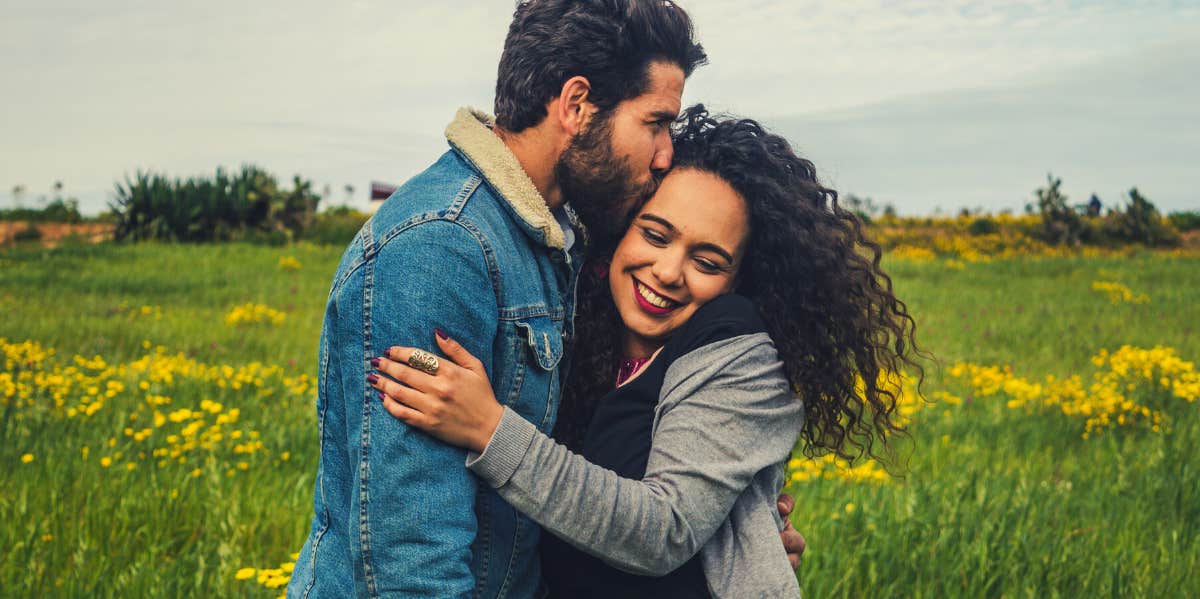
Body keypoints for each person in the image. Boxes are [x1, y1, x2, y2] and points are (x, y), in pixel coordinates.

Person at [287, 2, 802, 598]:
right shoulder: (443, 248)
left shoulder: (558, 242)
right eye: (655, 123)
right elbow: (412, 557)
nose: (665, 154)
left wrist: (737, 540)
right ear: (577, 105)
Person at [370, 107, 925, 597]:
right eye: (655, 235)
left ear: (739, 280)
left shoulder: (741, 351)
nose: (667, 272)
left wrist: (489, 429)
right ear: (619, 230)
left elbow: (662, 530)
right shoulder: (576, 324)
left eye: (707, 262)